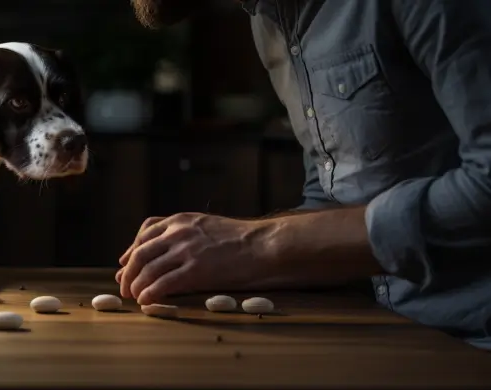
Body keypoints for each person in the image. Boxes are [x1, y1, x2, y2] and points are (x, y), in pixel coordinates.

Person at [117, 0, 491, 350]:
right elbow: (334, 197)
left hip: (473, 344)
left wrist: (255, 245)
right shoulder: (268, 19)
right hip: (383, 334)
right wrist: (219, 256)